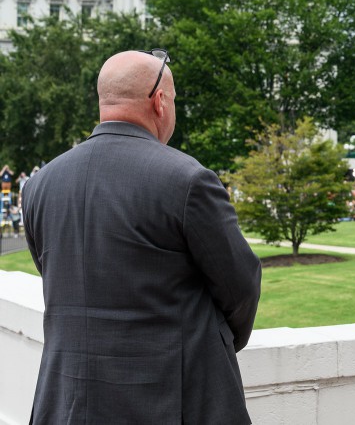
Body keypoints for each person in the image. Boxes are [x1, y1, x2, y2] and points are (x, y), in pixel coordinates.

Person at [22, 50, 262, 425]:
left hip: (67, 402)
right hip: (172, 401)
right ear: (160, 102)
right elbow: (242, 288)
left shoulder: (39, 184)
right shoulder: (188, 181)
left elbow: (52, 273)